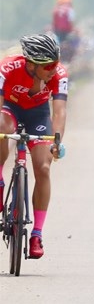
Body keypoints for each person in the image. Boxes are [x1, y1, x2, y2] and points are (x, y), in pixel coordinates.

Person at [0, 34, 67, 259]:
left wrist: (57, 142)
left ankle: (37, 234)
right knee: (2, 127)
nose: (53, 70)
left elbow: (59, 112)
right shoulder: (7, 67)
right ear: (30, 64)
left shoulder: (58, 74)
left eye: (55, 64)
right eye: (47, 66)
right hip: (9, 108)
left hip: (38, 114)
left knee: (44, 168)